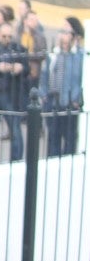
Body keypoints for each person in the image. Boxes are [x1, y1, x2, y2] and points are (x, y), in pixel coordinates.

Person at [0, 23, 27, 164]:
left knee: (15, 129)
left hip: (10, 94)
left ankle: (16, 159)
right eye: (4, 36)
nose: (7, 39)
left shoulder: (19, 49)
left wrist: (20, 68)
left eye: (9, 36)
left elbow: (26, 69)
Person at [39, 17, 85, 157]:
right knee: (53, 138)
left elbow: (81, 80)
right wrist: (44, 95)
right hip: (53, 102)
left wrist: (77, 99)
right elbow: (45, 75)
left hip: (70, 104)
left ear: (74, 36)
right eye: (61, 31)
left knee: (70, 139)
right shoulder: (54, 53)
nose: (62, 34)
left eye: (66, 31)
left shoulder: (80, 56)